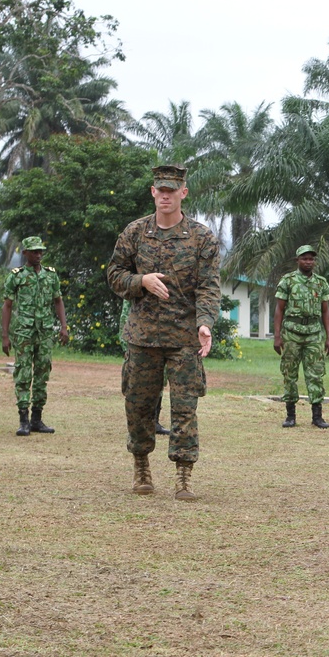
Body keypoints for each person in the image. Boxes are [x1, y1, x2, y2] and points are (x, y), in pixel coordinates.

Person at [107, 164, 221, 501]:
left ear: (183, 193)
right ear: (153, 192)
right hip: (142, 337)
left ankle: (184, 476)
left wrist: (205, 322)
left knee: (185, 407)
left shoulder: (202, 237)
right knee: (139, 405)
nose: (166, 195)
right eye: (161, 189)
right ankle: (141, 466)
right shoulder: (135, 233)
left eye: (173, 190)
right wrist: (140, 281)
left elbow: (209, 287)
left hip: (184, 338)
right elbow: (114, 274)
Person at [0, 235, 69, 436]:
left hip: (45, 331)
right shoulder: (17, 276)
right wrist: (5, 336)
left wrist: (64, 327)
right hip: (23, 332)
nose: (39, 255)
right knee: (23, 374)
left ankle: (37, 419)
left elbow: (58, 301)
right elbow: (7, 305)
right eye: (35, 251)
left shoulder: (50, 275)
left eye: (41, 251)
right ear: (25, 253)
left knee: (42, 374)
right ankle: (23, 420)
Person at [272, 245, 329, 428]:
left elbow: (326, 311)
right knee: (289, 373)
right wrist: (277, 336)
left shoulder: (321, 283)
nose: (308, 262)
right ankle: (290, 415)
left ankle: (317, 417)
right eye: (304, 258)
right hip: (291, 333)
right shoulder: (288, 281)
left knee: (315, 374)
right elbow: (279, 309)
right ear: (297, 260)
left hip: (314, 333)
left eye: (311, 259)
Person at [119, 300, 169, 435]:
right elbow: (125, 316)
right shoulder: (137, 286)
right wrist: (126, 344)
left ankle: (155, 422)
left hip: (161, 342)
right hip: (139, 342)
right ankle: (138, 424)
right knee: (135, 385)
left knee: (160, 382)